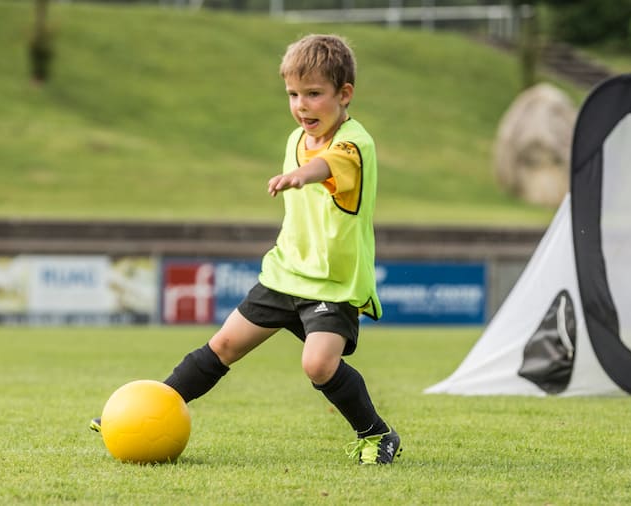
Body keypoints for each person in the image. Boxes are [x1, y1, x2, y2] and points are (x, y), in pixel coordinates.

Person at [92, 33, 400, 465]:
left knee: (318, 366)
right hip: (284, 274)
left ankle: (377, 435)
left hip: (331, 284)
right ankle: (142, 410)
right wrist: (298, 171)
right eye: (293, 94)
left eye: (314, 94)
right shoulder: (295, 138)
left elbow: (330, 165)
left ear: (344, 94)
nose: (301, 105)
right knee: (223, 346)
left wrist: (302, 175)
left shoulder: (355, 142)